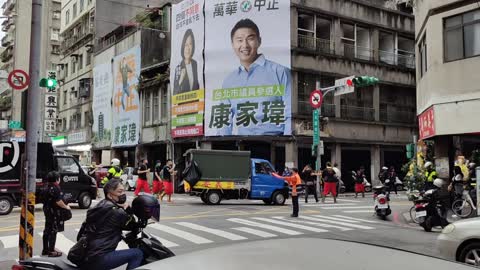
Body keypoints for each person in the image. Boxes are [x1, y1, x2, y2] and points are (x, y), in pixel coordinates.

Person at [212, 18, 291, 136]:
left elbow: (290, 114)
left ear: (259, 41)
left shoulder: (280, 72)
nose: (245, 45)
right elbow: (224, 121)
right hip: (242, 146)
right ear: (232, 44)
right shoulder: (229, 80)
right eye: (239, 40)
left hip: (275, 144)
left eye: (250, 38)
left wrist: (286, 147)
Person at [79, 179, 143, 270]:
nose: (123, 194)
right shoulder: (117, 212)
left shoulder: (99, 206)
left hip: (87, 254)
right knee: (137, 253)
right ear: (110, 195)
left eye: (123, 191)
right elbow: (132, 225)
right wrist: (128, 209)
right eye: (120, 192)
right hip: (99, 257)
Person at [42, 171, 71, 257]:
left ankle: (45, 249)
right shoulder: (55, 188)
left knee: (47, 229)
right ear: (57, 179)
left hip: (46, 210)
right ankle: (51, 250)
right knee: (53, 230)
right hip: (53, 211)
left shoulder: (46, 187)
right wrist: (66, 207)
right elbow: (58, 201)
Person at [173, 29, 200, 95]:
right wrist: (181, 79)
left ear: (193, 46)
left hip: (195, 103)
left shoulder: (195, 64)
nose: (188, 48)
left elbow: (196, 86)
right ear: (182, 47)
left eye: (190, 44)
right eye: (186, 45)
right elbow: (175, 92)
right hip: (183, 104)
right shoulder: (178, 67)